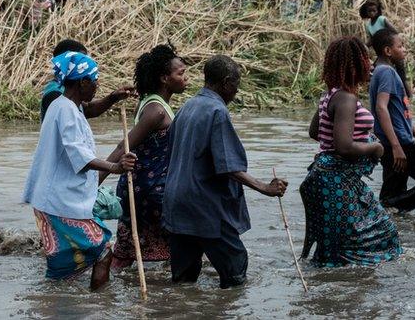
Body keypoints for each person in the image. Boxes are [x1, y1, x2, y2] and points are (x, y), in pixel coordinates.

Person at [162, 55, 287, 289]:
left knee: (183, 279)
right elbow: (229, 166)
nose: (236, 93)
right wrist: (265, 188)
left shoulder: (187, 106)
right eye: (236, 87)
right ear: (227, 83)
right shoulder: (217, 111)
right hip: (205, 206)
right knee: (235, 268)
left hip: (177, 203)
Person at [22, 51, 136, 289]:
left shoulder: (66, 105)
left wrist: (113, 98)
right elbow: (80, 157)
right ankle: (98, 303)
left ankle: (53, 304)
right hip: (58, 201)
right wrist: (116, 166)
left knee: (61, 270)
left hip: (54, 199)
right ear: (83, 82)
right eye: (95, 81)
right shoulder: (65, 110)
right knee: (103, 248)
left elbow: (90, 110)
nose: (96, 86)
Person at [300, 37, 401, 267]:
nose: (371, 65)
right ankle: (339, 293)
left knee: (336, 246)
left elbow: (316, 132)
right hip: (335, 181)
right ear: (355, 64)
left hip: (327, 178)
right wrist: (375, 147)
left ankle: (334, 288)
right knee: (382, 233)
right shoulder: (345, 98)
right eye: (366, 60)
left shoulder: (330, 95)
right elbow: (344, 147)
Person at [101, 45, 187, 270]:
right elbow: (124, 146)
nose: (186, 78)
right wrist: (95, 180)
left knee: (127, 252)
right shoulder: (156, 110)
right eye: (181, 73)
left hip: (145, 189)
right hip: (149, 193)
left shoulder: (153, 102)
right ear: (164, 78)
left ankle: (102, 288)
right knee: (186, 244)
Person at [369, 29, 415, 211]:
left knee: (394, 190)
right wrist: (397, 146)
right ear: (388, 51)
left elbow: (400, 118)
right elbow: (381, 108)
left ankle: (389, 215)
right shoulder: (386, 73)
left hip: (396, 143)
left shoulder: (383, 71)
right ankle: (386, 208)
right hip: (399, 145)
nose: (404, 49)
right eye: (400, 46)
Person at [39, 39, 134, 122]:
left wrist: (114, 97)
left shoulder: (68, 92)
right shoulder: (54, 94)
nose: (85, 62)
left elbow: (88, 109)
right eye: (82, 59)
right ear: (69, 60)